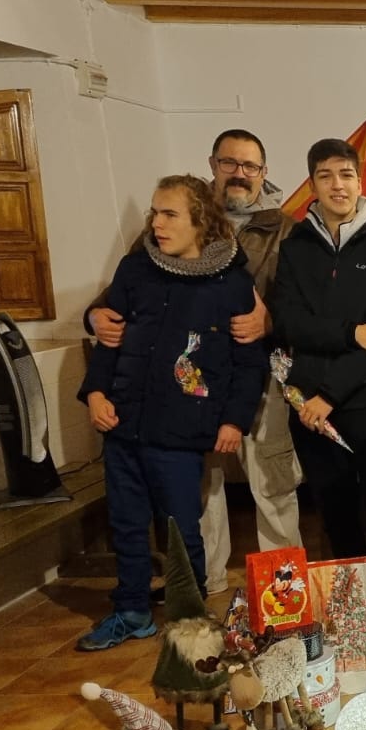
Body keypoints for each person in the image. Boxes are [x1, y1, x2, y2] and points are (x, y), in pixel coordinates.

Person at [86, 130, 302, 590]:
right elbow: (125, 294)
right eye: (229, 163)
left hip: (259, 373)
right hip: (190, 389)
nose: (239, 173)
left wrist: (270, 323)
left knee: (271, 483)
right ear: (213, 165)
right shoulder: (171, 223)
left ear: (264, 173)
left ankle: (285, 589)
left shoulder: (285, 228)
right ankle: (204, 581)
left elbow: (302, 302)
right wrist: (94, 314)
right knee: (201, 488)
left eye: (250, 166)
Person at [76, 175, 267, 651]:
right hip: (123, 424)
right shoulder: (134, 271)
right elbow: (109, 338)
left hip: (182, 430)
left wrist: (233, 421)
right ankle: (132, 610)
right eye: (154, 213)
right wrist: (96, 393)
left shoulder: (232, 284)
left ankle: (190, 618)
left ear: (199, 220)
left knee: (182, 527)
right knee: (125, 521)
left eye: (170, 214)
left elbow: (249, 362)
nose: (157, 224)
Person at [267, 137, 366, 568]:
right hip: (309, 405)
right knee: (335, 513)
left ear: (359, 180)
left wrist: (329, 393)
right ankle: (353, 612)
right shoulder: (296, 246)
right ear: (312, 184)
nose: (337, 185)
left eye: (346, 175)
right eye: (325, 176)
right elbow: (290, 322)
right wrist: (352, 332)